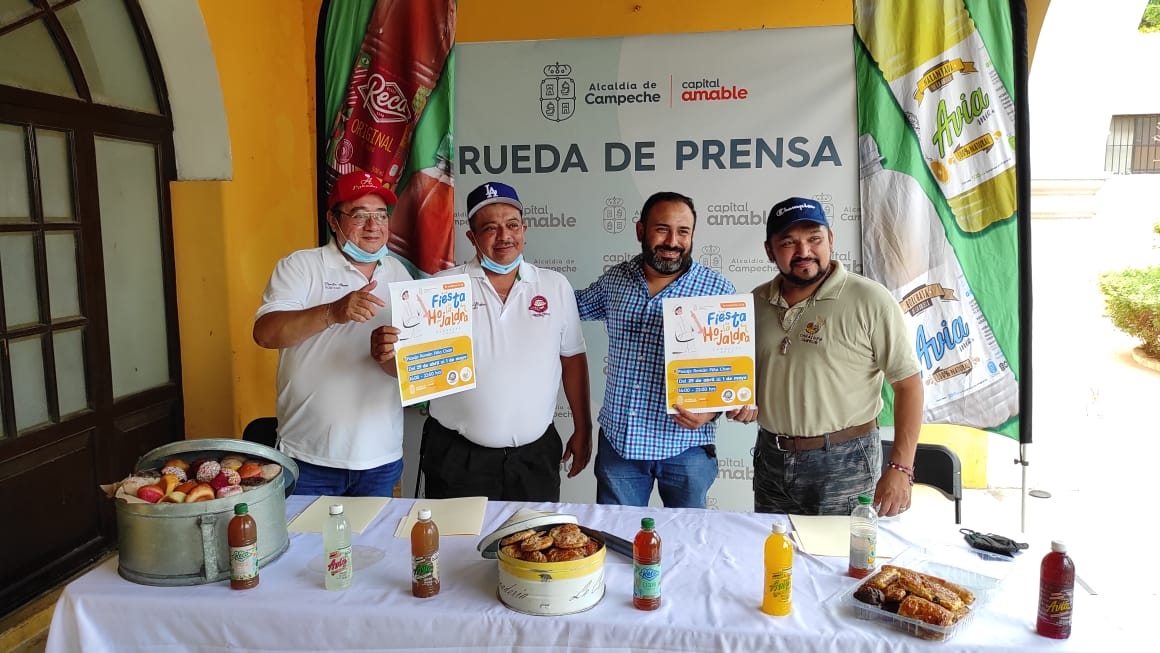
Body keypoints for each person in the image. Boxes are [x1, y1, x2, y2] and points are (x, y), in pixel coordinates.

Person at [372, 181, 592, 501]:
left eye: (512, 225)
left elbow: (572, 359)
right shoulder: (441, 289)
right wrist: (385, 357)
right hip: (458, 459)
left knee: (534, 545)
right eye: (490, 228)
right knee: (455, 547)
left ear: (524, 230)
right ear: (472, 238)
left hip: (534, 458)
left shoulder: (555, 285)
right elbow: (413, 369)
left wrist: (582, 428)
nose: (504, 236)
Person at [575, 191, 756, 508]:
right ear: (640, 230)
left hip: (685, 448)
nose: (673, 241)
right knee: (618, 541)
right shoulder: (616, 280)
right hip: (621, 447)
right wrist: (522, 285)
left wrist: (713, 409)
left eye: (683, 231)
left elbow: (734, 370)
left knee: (688, 545)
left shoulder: (717, 291)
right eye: (662, 229)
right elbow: (568, 308)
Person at [751, 196, 923, 517]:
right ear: (769, 250)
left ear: (830, 239)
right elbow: (744, 378)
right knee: (776, 557)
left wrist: (901, 467)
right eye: (788, 242)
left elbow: (908, 384)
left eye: (814, 239)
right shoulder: (754, 303)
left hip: (846, 460)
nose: (804, 252)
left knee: (841, 560)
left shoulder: (870, 299)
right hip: (771, 460)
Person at [253, 171, 411, 497]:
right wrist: (333, 312)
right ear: (333, 220)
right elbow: (266, 334)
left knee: (374, 549)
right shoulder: (301, 267)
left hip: (380, 458)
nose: (373, 225)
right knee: (306, 549)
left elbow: (408, 362)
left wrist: (390, 358)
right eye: (360, 215)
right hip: (308, 458)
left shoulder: (398, 273)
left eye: (381, 215)